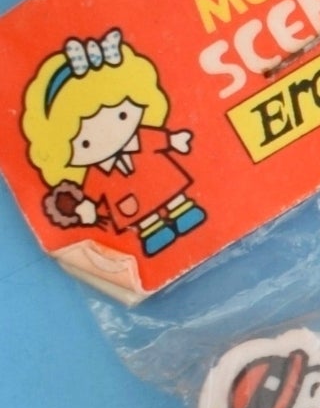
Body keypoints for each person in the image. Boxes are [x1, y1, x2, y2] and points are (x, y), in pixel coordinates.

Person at [20, 30, 203, 257]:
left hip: (160, 179)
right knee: (147, 220)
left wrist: (174, 140)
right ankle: (153, 231)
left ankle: (183, 212)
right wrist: (86, 208)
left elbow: (155, 138)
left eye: (122, 115)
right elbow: (93, 193)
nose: (107, 136)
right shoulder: (96, 174)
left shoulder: (140, 139)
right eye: (85, 143)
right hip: (131, 204)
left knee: (173, 196)